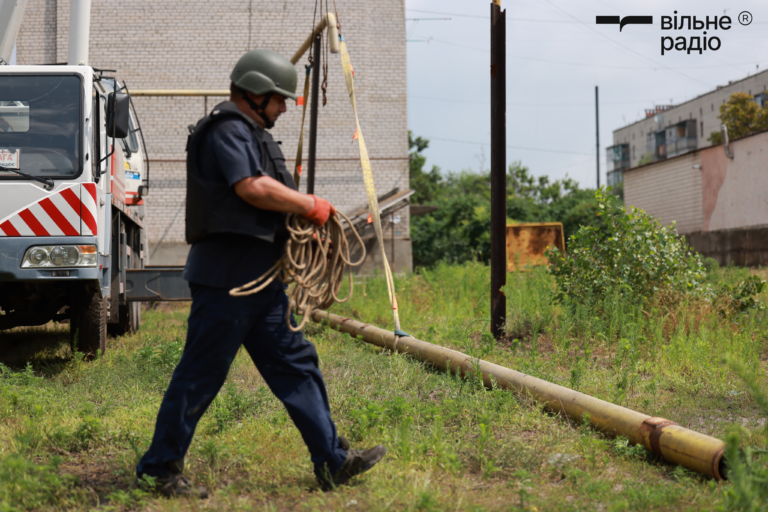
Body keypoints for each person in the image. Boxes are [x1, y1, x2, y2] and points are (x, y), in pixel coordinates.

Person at [135, 49, 386, 497]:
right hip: (228, 280)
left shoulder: (251, 132)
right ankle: (159, 469)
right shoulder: (228, 130)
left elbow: (266, 205)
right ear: (254, 93)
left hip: (263, 281)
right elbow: (250, 187)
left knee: (297, 366)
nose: (285, 108)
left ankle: (332, 461)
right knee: (200, 375)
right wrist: (311, 205)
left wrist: (307, 234)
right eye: (279, 99)